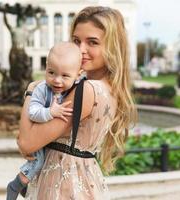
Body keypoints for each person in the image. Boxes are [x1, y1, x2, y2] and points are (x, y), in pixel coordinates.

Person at [17, 6, 137, 199]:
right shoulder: (108, 89)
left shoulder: (87, 91)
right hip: (83, 181)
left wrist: (31, 90)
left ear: (112, 47)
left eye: (92, 42)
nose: (81, 50)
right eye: (76, 41)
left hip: (63, 187)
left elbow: (26, 143)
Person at [7, 42, 83, 200]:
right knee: (38, 160)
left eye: (65, 76)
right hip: (36, 131)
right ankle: (16, 184)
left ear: (78, 75)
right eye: (51, 73)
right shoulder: (42, 89)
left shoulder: (76, 89)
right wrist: (50, 112)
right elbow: (33, 113)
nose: (57, 80)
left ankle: (26, 187)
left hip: (50, 139)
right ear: (46, 68)